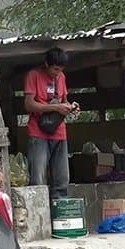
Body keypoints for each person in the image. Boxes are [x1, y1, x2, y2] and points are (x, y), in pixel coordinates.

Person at [24, 47, 79, 199]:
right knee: (38, 178)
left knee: (62, 179)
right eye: (55, 69)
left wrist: (71, 107)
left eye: (61, 69)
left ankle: (59, 210)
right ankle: (39, 209)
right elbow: (28, 104)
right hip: (38, 132)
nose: (57, 73)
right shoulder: (34, 75)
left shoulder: (61, 77)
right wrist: (55, 107)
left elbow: (64, 101)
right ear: (47, 64)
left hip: (59, 132)